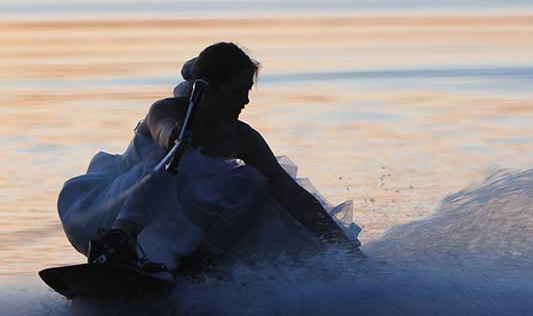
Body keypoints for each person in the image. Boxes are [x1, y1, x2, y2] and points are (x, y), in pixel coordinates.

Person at [58, 42, 361, 276]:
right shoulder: (166, 111)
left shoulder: (242, 137)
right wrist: (177, 136)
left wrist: (344, 248)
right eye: (237, 91)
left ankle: (202, 264)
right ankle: (119, 244)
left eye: (248, 91)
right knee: (171, 161)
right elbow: (163, 130)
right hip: (116, 209)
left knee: (258, 181)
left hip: (181, 222)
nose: (246, 100)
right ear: (209, 88)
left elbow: (291, 193)